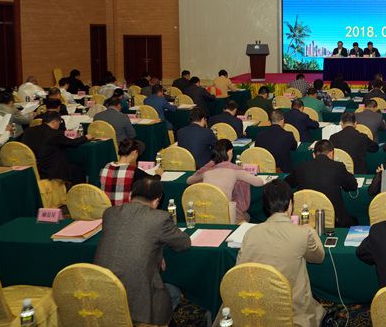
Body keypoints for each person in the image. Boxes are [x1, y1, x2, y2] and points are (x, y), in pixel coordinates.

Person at [94, 177, 191, 326]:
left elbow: (129, 237)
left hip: (102, 293)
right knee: (174, 292)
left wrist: (157, 249)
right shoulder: (160, 218)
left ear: (130, 195)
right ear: (157, 201)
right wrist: (159, 248)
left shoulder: (109, 213)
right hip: (139, 303)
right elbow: (184, 243)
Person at [232, 179, 326, 326]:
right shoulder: (303, 233)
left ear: (265, 206)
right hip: (291, 310)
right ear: (290, 204)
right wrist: (311, 230)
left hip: (255, 307)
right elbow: (319, 257)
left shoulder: (251, 233)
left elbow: (239, 269)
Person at [187, 139, 264, 222]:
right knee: (247, 216)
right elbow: (259, 182)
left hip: (207, 214)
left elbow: (189, 180)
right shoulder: (235, 170)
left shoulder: (206, 171)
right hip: (227, 215)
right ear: (230, 152)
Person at [286, 140, 358, 227]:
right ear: (331, 154)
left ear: (313, 155)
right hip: (334, 220)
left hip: (305, 218)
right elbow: (353, 186)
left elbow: (288, 183)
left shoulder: (302, 166)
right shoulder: (338, 167)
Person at [22, 111, 90, 183]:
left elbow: (62, 134)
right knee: (78, 169)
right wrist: (86, 137)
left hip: (31, 168)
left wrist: (72, 133)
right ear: (54, 122)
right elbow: (73, 143)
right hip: (50, 170)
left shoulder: (28, 130)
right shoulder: (54, 134)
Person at [100, 139, 161, 205]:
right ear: (134, 153)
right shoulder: (132, 171)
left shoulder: (106, 167)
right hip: (124, 208)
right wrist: (158, 174)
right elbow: (153, 180)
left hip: (106, 208)